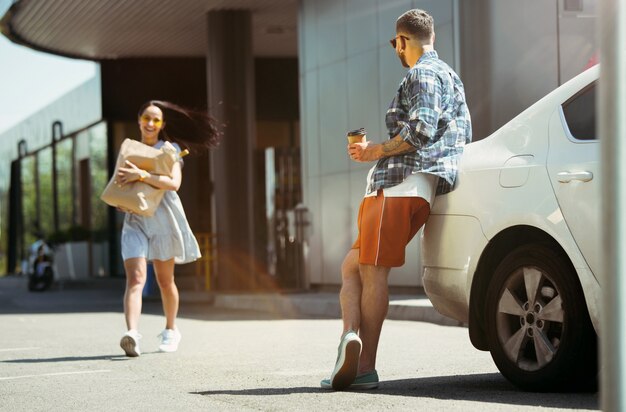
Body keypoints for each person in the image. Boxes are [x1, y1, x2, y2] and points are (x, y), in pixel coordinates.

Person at [321, 9, 472, 390]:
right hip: (416, 190)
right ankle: (350, 339)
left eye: (395, 44)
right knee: (352, 267)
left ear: (403, 41)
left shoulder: (421, 73)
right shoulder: (451, 76)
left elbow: (420, 129)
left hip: (399, 185)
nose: (396, 51)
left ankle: (364, 366)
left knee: (371, 272)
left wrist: (375, 151)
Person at [117, 100, 220, 357]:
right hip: (135, 221)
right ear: (139, 119)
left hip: (163, 221)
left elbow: (173, 183)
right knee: (136, 278)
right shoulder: (130, 149)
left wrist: (141, 176)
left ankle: (171, 329)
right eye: (146, 118)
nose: (150, 124)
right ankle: (132, 333)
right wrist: (121, 202)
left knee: (165, 281)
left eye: (156, 120)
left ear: (162, 124)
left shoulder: (170, 150)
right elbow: (118, 184)